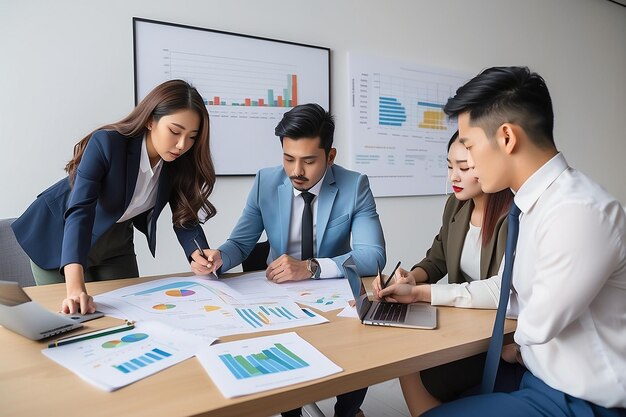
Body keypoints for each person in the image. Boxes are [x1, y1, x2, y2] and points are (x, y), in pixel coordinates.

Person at [421, 66, 626, 417]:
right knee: (431, 379)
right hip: (540, 376)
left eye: (469, 145)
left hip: (582, 400)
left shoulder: (578, 211)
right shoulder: (532, 205)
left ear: (506, 138)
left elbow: (537, 322)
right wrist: (424, 294)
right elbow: (509, 293)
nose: (466, 162)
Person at [205, 103, 386, 417]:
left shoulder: (354, 185)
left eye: (308, 161)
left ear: (330, 156)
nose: (296, 171)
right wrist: (219, 257)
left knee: (361, 339)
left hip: (332, 292)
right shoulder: (265, 181)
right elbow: (241, 243)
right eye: (288, 158)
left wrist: (311, 267)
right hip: (279, 295)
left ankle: (348, 410)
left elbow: (374, 255)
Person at [12, 79, 219, 315]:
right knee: (75, 319)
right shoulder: (108, 143)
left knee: (131, 314)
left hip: (116, 242)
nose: (182, 144)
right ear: (151, 120)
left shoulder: (177, 162)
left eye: (192, 136)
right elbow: (80, 211)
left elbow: (184, 214)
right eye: (174, 131)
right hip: (60, 235)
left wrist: (199, 253)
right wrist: (75, 288)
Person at [372, 131, 514, 416]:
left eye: (464, 168)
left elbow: (503, 291)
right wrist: (412, 277)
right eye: (449, 166)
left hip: (498, 333)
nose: (454, 177)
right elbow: (437, 258)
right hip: (462, 324)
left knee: (422, 369)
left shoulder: (512, 216)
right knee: (401, 347)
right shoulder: (456, 205)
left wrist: (420, 293)